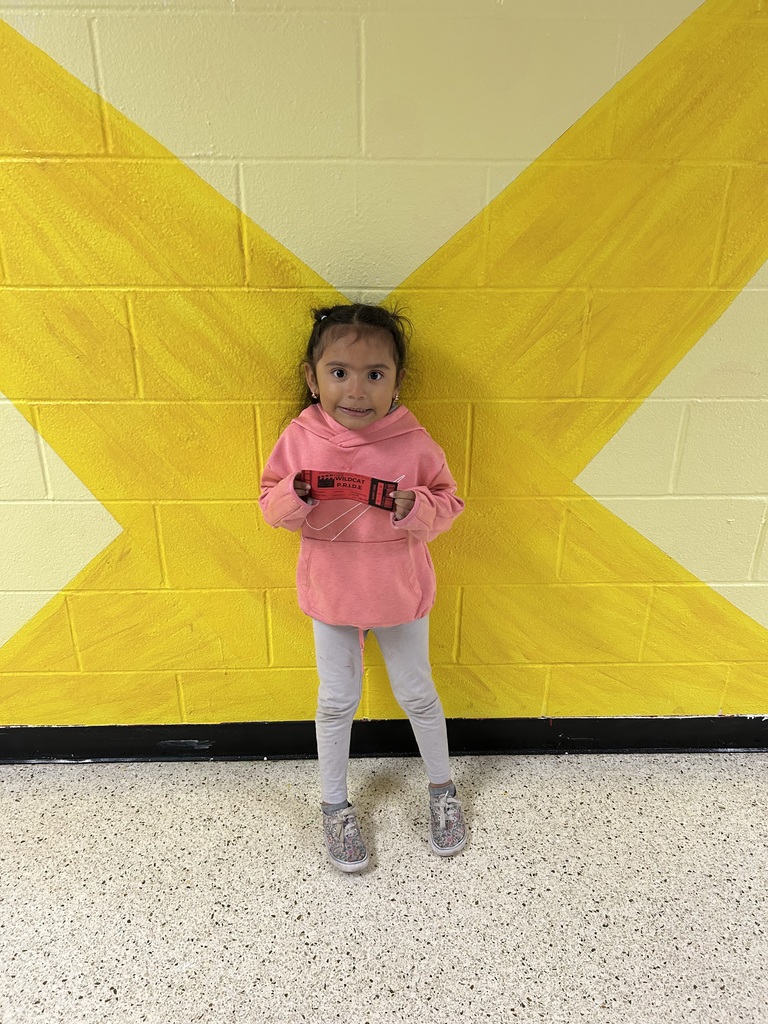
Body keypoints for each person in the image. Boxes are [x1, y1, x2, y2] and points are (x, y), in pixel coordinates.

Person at [259, 303, 467, 872]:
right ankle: (334, 806)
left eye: (375, 374)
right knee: (335, 701)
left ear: (397, 380)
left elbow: (451, 503)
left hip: (400, 594)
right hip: (331, 595)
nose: (356, 389)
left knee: (418, 693)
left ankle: (443, 790)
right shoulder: (299, 438)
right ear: (313, 377)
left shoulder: (415, 441)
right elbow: (269, 505)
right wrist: (294, 495)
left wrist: (419, 507)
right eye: (339, 372)